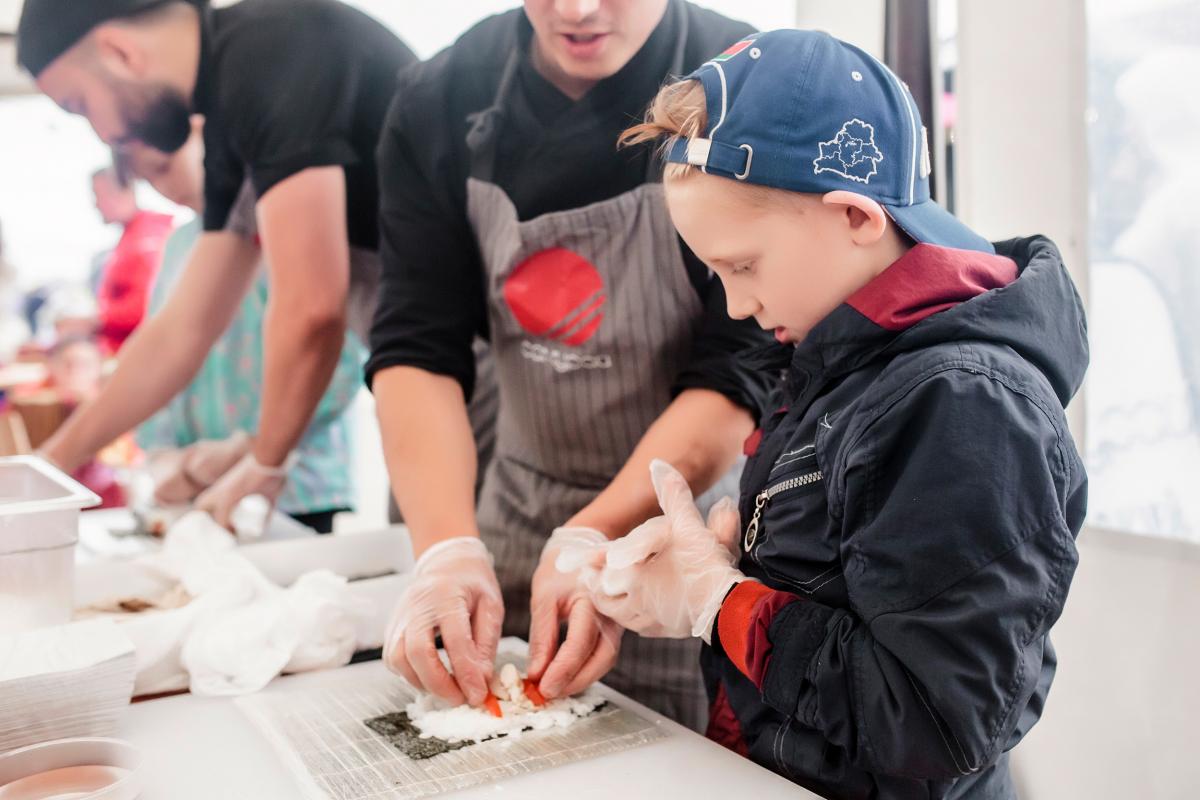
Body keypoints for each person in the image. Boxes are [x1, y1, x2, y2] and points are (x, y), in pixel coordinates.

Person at [560, 30, 1089, 797]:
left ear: (856, 217)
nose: (736, 305)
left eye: (742, 266)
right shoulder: (843, 358)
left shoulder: (964, 404)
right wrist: (726, 568)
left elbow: (937, 718)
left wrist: (719, 603)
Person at [370, 0, 773, 729]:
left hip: (678, 544)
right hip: (515, 518)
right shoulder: (442, 98)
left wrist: (595, 534)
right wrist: (447, 551)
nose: (578, 10)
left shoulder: (744, 84)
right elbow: (417, 348)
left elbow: (738, 371)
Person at [15, 0, 478, 528]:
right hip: (434, 376)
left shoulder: (275, 53)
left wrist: (265, 460)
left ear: (119, 51)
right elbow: (181, 331)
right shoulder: (230, 113)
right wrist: (47, 464)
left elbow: (311, 307)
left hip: (486, 360)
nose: (104, 135)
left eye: (80, 105)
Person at [129, 117, 361, 534]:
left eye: (164, 166)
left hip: (299, 484)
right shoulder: (180, 245)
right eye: (147, 178)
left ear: (202, 131)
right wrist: (163, 452)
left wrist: (258, 445)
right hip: (204, 488)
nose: (164, 186)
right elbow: (158, 351)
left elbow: (334, 354)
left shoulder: (290, 223)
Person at [89, 162, 173, 354]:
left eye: (98, 195)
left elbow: (146, 305)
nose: (95, 204)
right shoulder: (131, 235)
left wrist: (96, 320)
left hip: (136, 353)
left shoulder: (147, 238)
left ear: (121, 193)